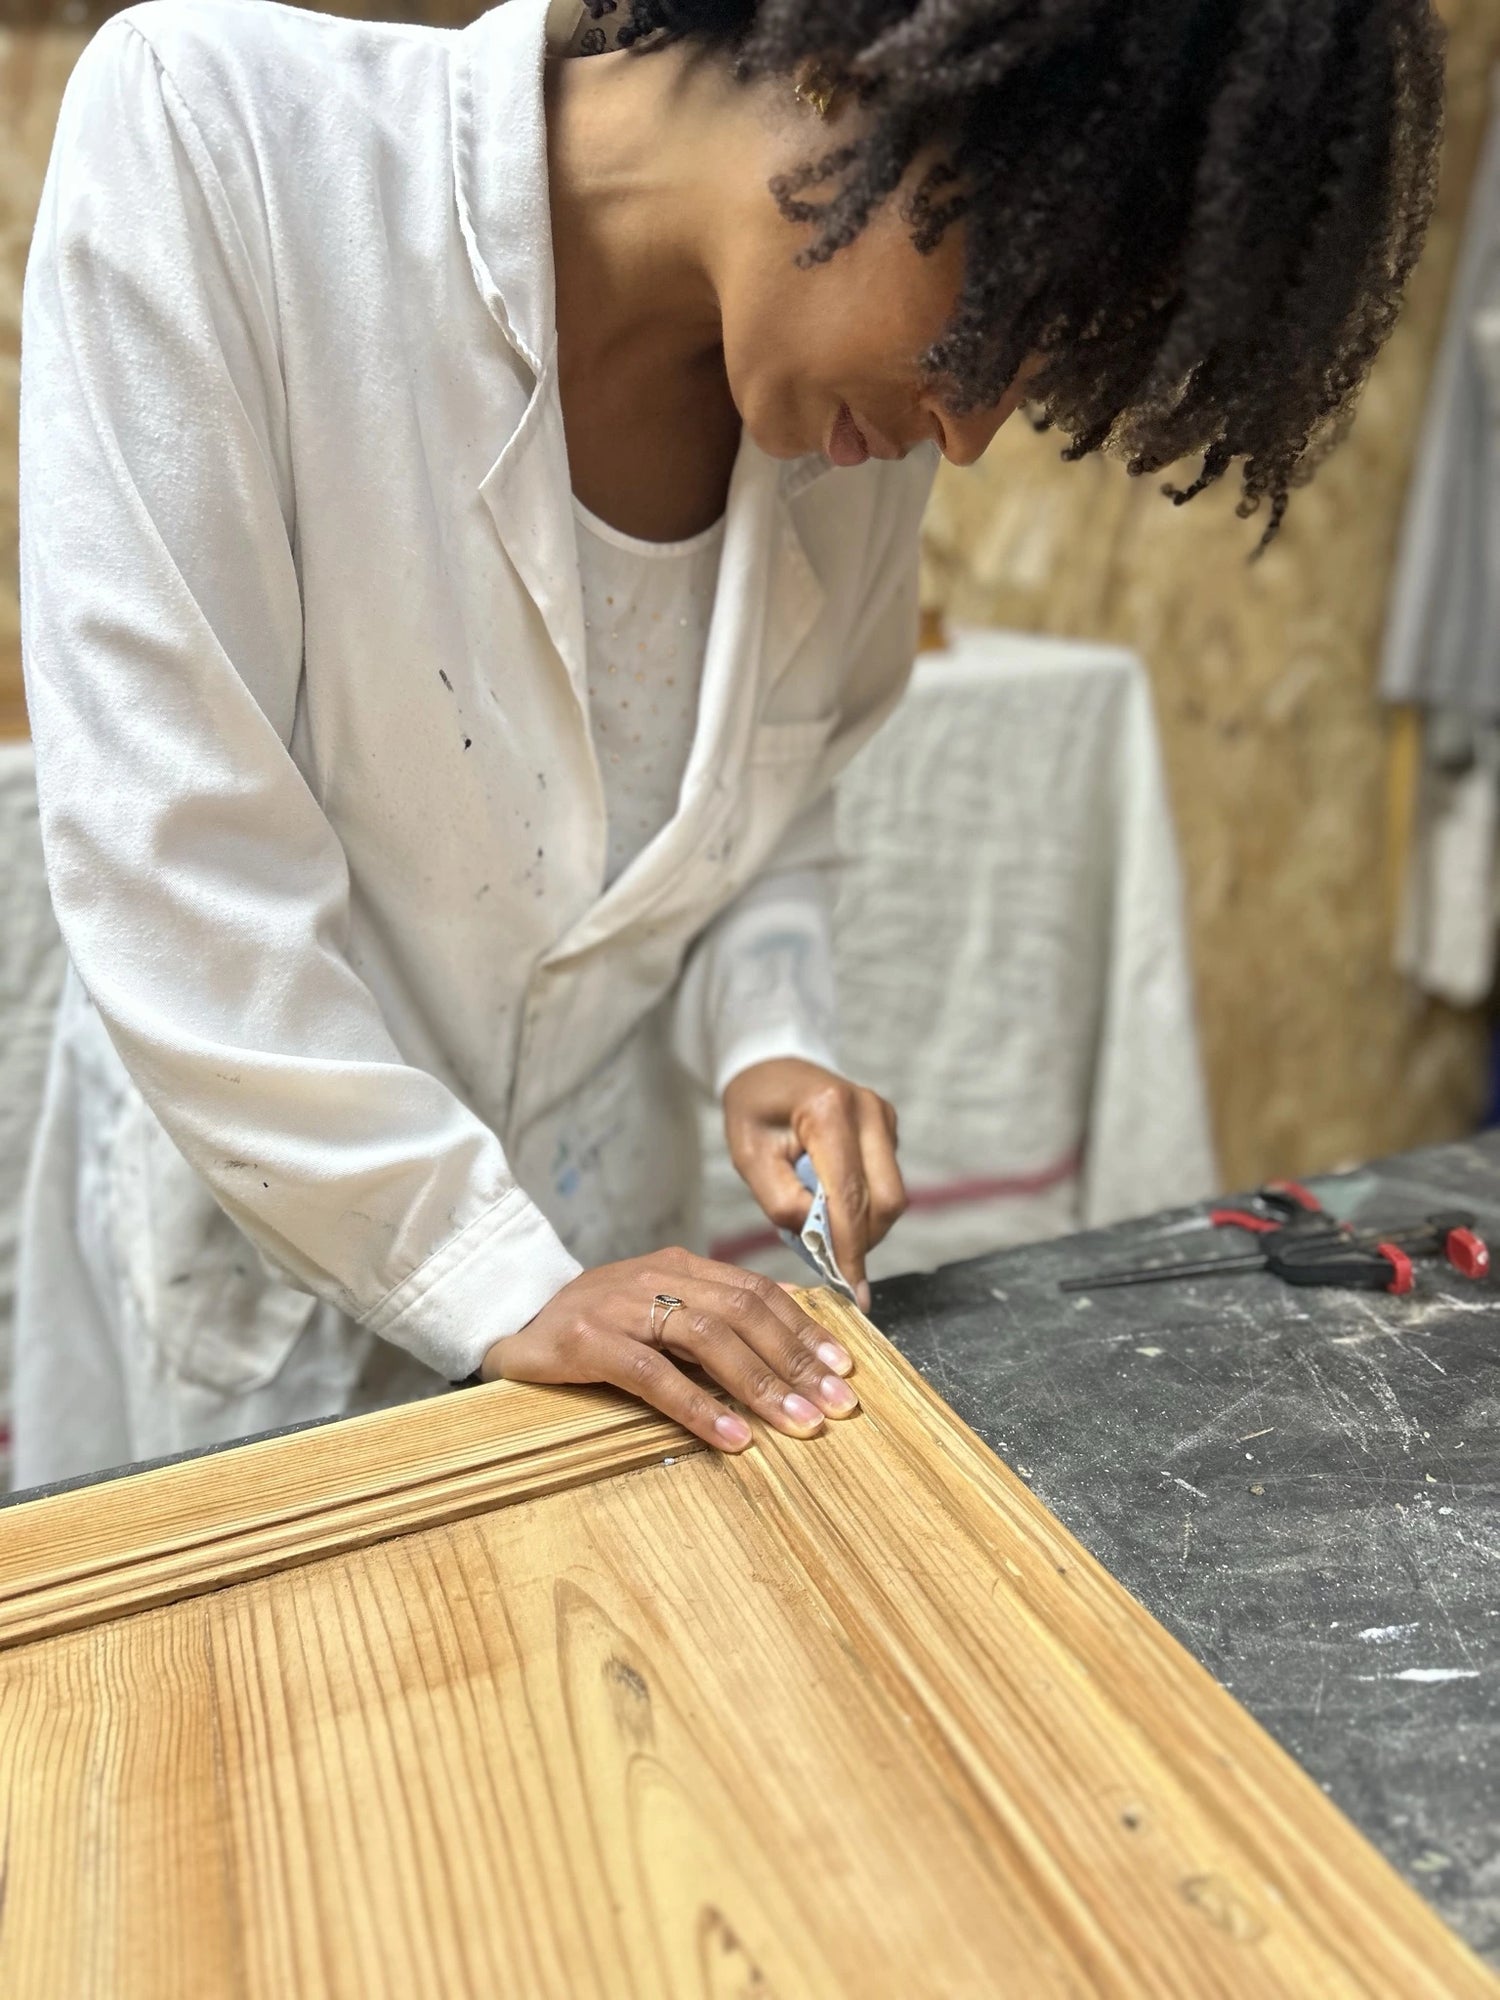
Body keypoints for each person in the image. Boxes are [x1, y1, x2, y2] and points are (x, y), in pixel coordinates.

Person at [16, 0, 1442, 1484]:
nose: (968, 434)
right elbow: (175, 868)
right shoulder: (214, 142)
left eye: (1042, 371)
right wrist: (495, 1278)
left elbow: (765, 811)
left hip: (598, 1248)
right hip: (261, 1268)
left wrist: (771, 1034)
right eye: (1001, 316)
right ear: (866, 73)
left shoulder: (840, 432)